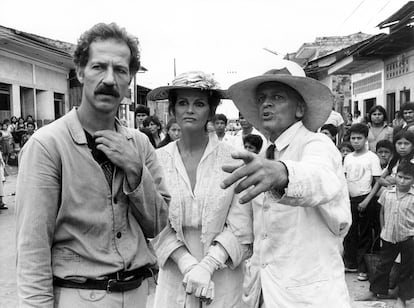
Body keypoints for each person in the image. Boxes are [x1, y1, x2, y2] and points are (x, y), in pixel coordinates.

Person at [15, 23, 170, 307]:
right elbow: (32, 248)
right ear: (80, 72)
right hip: (79, 297)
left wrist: (136, 171)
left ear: (130, 79)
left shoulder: (140, 144)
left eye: (120, 70)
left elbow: (157, 225)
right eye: (99, 67)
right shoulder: (48, 146)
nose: (110, 79)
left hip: (137, 294)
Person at [223, 59, 352, 307]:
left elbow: (320, 178)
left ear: (300, 109)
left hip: (307, 296)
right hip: (265, 292)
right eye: (261, 98)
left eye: (278, 97)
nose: (266, 104)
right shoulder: (263, 157)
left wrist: (283, 173)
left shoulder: (316, 144)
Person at [148, 71, 253, 308]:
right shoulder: (157, 160)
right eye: (182, 103)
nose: (190, 110)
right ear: (172, 110)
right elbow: (153, 219)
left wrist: (208, 265)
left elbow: (242, 222)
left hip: (222, 269)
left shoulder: (232, 158)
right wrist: (186, 262)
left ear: (211, 111)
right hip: (175, 268)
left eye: (199, 103)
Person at [358, 161, 414, 308]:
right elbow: (382, 212)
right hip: (388, 236)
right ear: (395, 176)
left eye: (407, 178)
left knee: (406, 269)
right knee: (383, 266)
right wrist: (383, 230)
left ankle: (404, 298)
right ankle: (374, 292)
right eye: (400, 177)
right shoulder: (387, 192)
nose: (402, 181)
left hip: (408, 237)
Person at [343, 123, 382, 280]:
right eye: (353, 138)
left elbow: (377, 181)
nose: (356, 141)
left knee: (365, 234)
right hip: (350, 199)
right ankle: (350, 263)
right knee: (350, 232)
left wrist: (367, 200)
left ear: (366, 139)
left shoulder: (372, 157)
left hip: (366, 198)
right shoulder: (348, 157)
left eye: (359, 138)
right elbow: (345, 179)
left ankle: (363, 268)